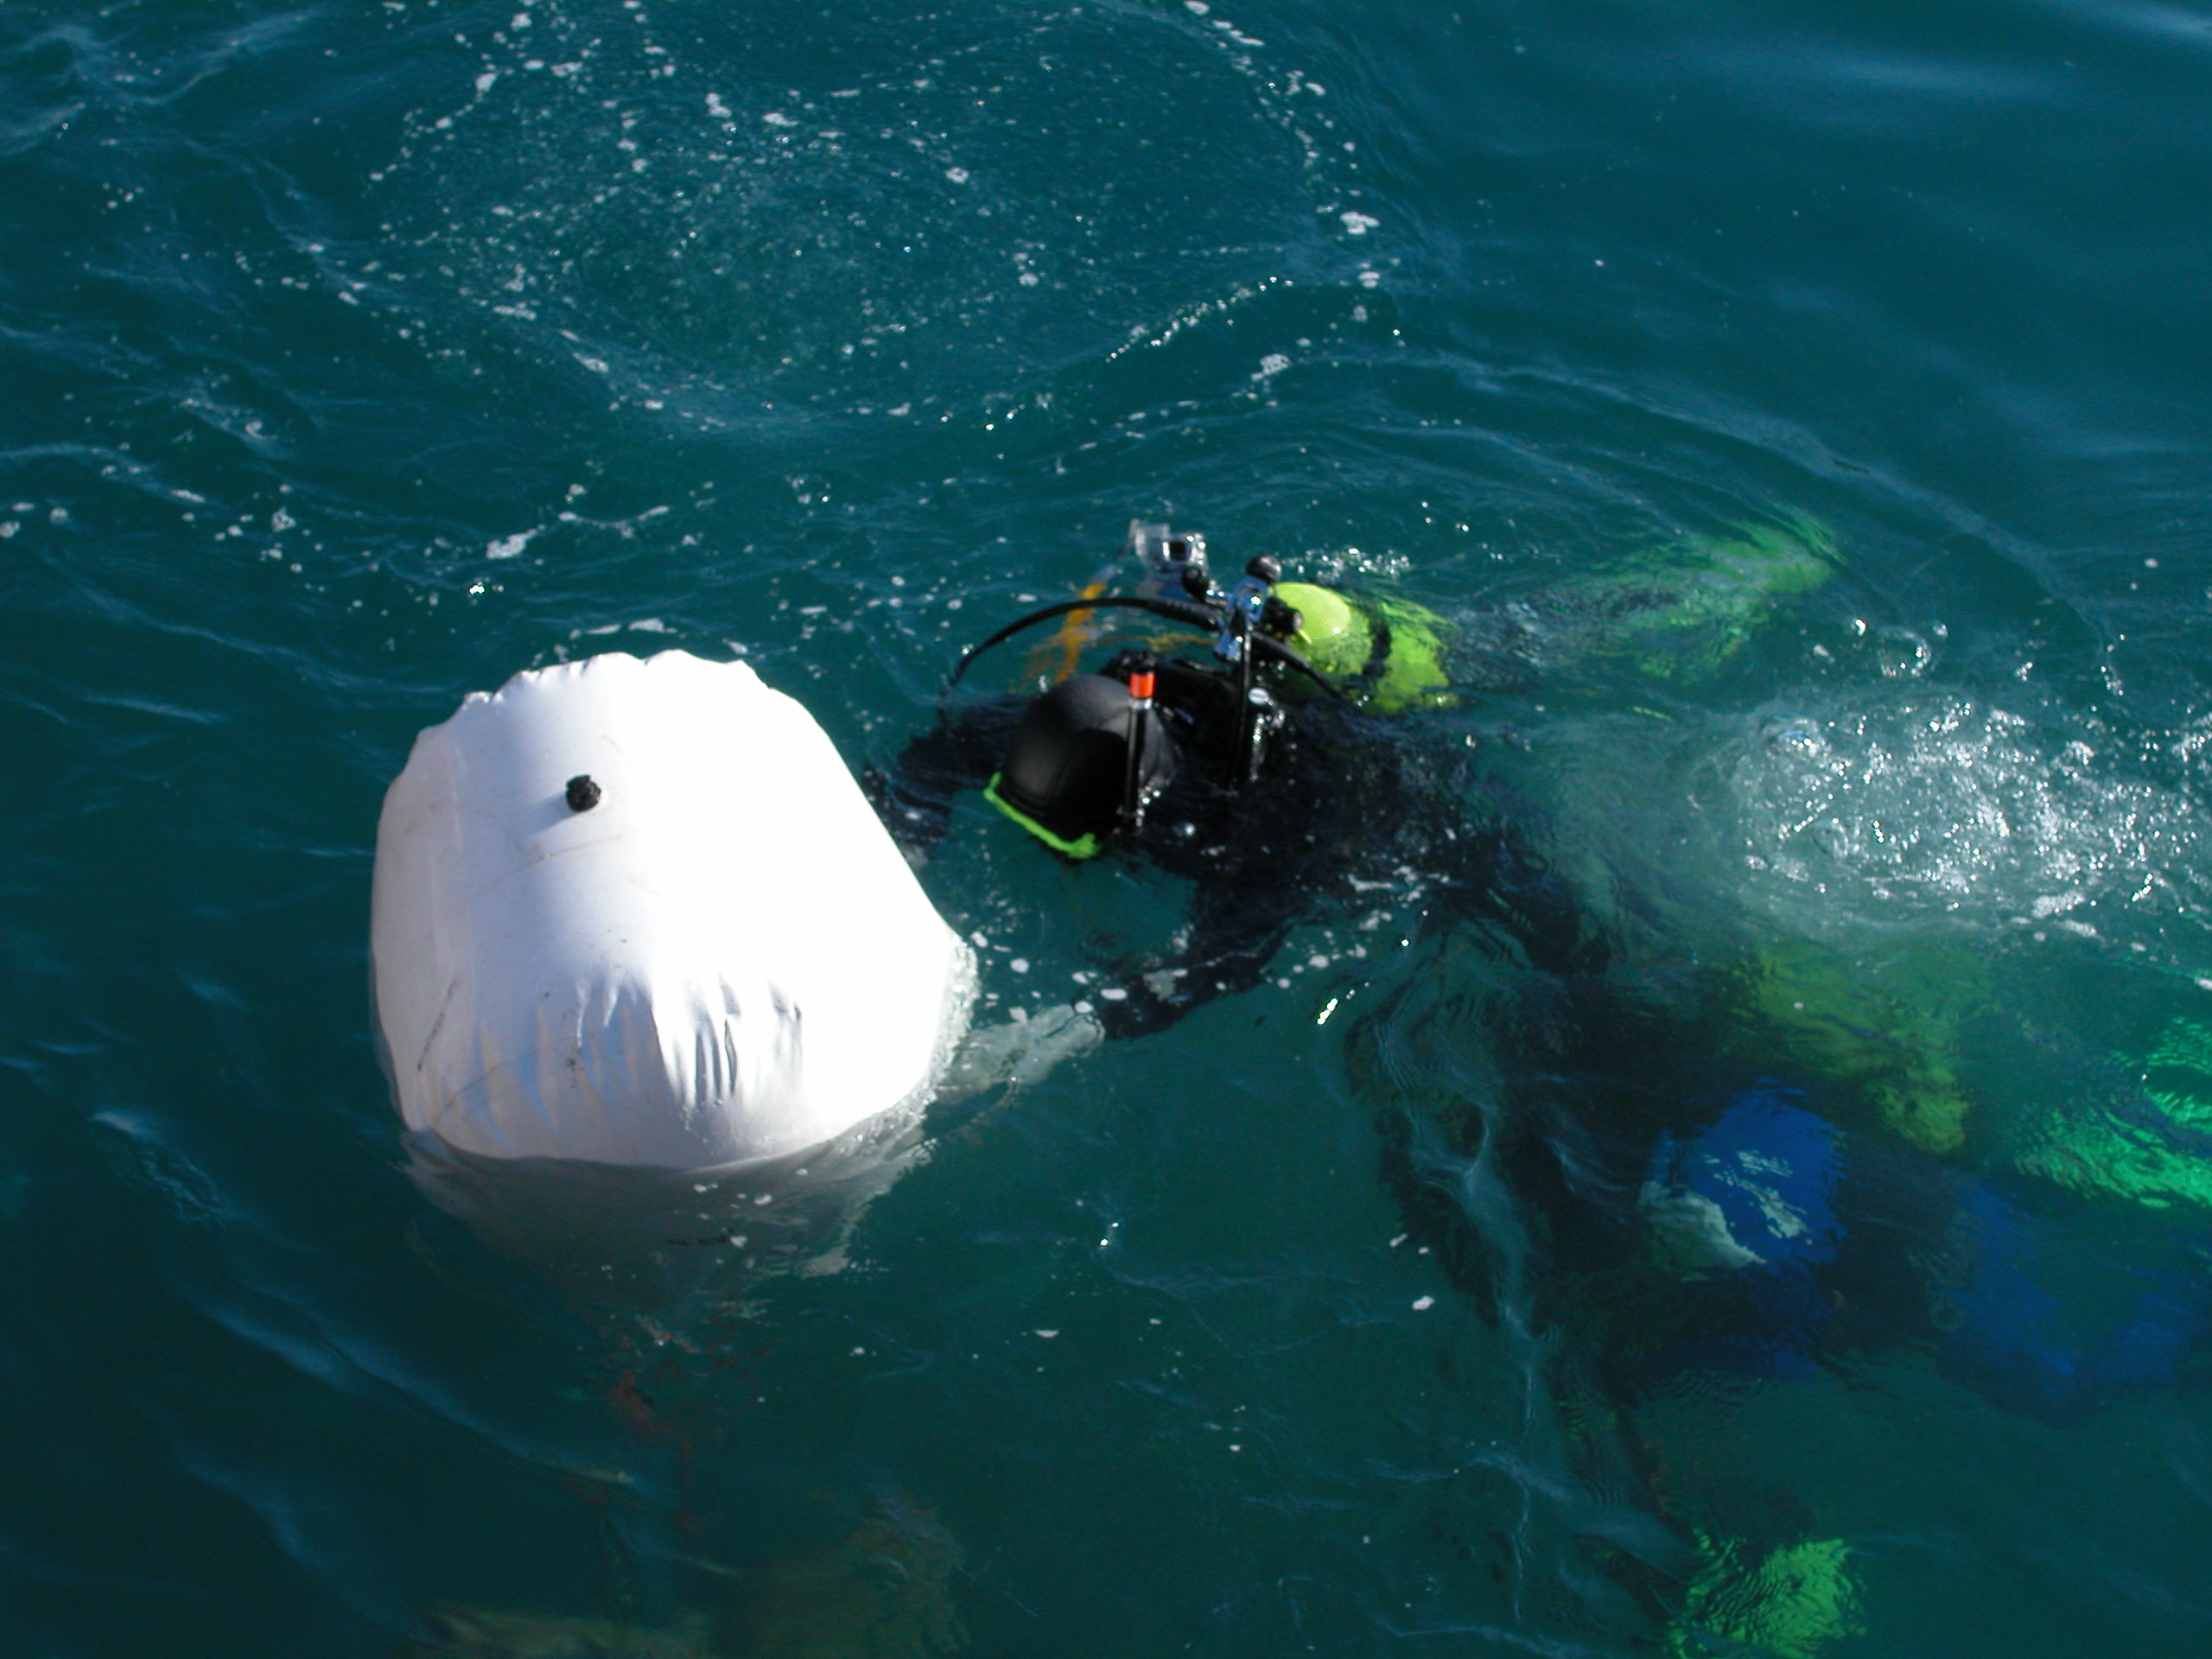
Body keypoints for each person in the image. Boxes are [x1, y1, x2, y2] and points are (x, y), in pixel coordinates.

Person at [869, 523, 1602, 1079]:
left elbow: (1224, 959)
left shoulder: (1252, 824)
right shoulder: (1055, 721)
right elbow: (929, 760)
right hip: (1242, 696)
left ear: (1133, 812)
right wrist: (906, 846)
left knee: (1519, 893)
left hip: (1383, 759)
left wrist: (1055, 1036)